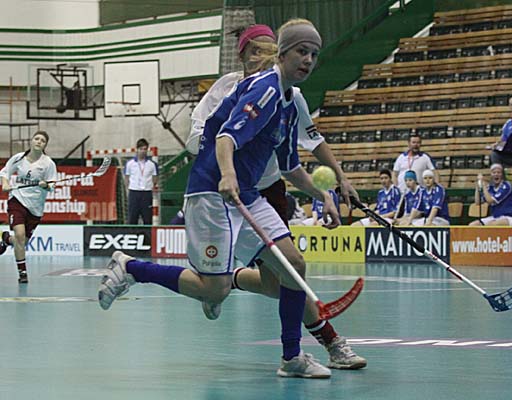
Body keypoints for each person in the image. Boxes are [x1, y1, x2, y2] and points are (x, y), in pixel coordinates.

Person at [98, 19, 352, 379]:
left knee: (293, 266)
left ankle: (292, 357)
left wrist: (323, 195)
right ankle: (132, 268)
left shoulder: (289, 101)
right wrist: (228, 174)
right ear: (282, 54)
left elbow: (290, 166)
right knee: (213, 292)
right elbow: (226, 137)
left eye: (313, 54)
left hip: (247, 195)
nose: (308, 60)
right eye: (301, 51)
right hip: (212, 192)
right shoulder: (264, 90)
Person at [186, 24, 365, 369]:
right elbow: (201, 138)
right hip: (227, 188)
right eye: (254, 50)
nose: (261, 55)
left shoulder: (289, 93)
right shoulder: (226, 89)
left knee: (275, 282)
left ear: (278, 52)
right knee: (292, 270)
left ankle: (226, 281)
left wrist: (338, 181)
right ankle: (329, 343)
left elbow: (311, 143)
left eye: (267, 48)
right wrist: (228, 162)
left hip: (269, 189)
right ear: (242, 55)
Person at [0, 131, 57, 283]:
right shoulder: (19, 158)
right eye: (36, 139)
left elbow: (52, 185)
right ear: (31, 141)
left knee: (22, 242)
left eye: (42, 140)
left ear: (45, 145)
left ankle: (6, 239)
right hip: (17, 200)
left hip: (35, 207)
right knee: (20, 235)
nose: (39, 141)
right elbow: (5, 172)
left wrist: (46, 185)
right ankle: (23, 273)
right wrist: (5, 183)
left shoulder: (48, 163)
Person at [124, 138, 158, 225]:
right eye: (141, 149)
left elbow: (155, 178)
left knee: (147, 219)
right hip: (134, 193)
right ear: (137, 149)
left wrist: (151, 186)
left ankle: (147, 234)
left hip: (146, 193)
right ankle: (132, 233)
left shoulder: (152, 164)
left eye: (145, 149)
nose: (143, 151)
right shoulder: (130, 163)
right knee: (132, 218)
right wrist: (129, 189)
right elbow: (127, 178)